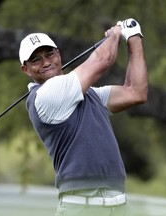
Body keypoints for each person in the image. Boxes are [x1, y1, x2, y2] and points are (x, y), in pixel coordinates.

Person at [19, 18, 148, 216]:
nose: (45, 62)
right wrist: (114, 34)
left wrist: (134, 38)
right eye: (35, 60)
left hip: (119, 205)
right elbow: (102, 61)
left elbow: (136, 92)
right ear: (25, 69)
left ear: (58, 55)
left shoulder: (90, 95)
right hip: (81, 207)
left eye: (49, 54)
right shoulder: (46, 96)